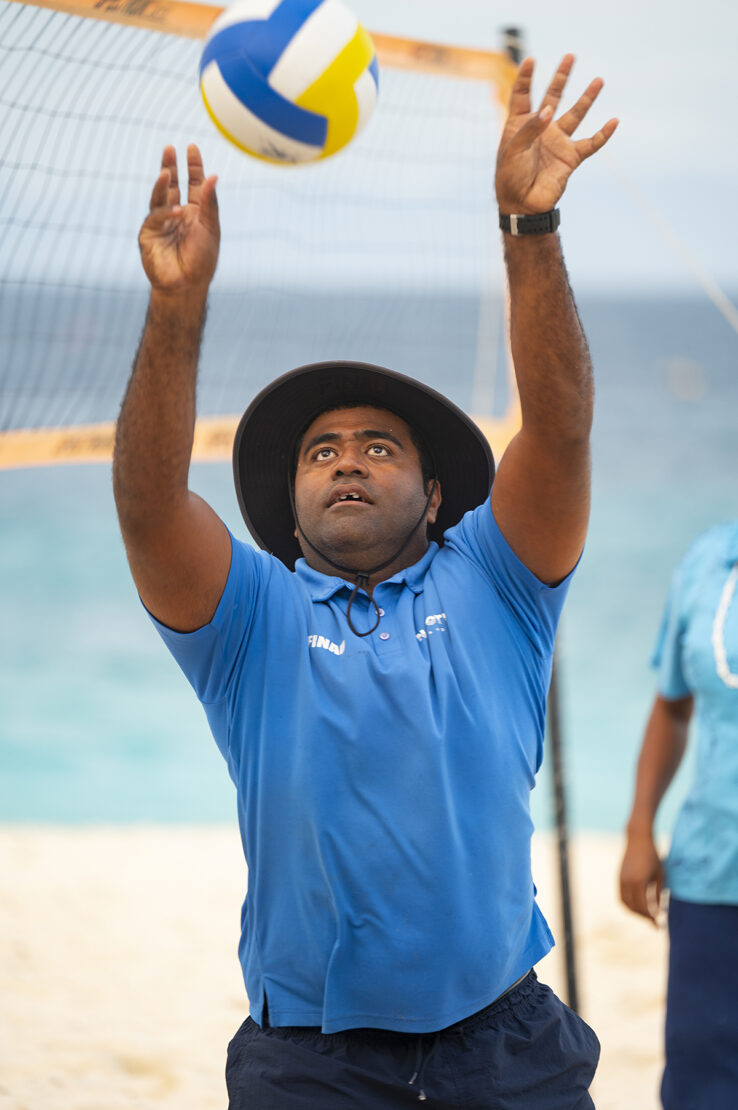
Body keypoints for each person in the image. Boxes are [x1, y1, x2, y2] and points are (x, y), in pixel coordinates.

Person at [114, 54, 617, 1110]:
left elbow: (562, 432)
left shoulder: (498, 580)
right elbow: (154, 508)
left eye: (379, 447)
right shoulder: (252, 617)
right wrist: (176, 312)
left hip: (508, 1039)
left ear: (436, 496)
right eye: (322, 450)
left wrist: (529, 231)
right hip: (312, 1061)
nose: (347, 458)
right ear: (290, 504)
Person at [619, 522, 738, 1110]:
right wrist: (640, 828)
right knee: (701, 1071)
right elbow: (672, 706)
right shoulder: (710, 560)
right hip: (711, 871)